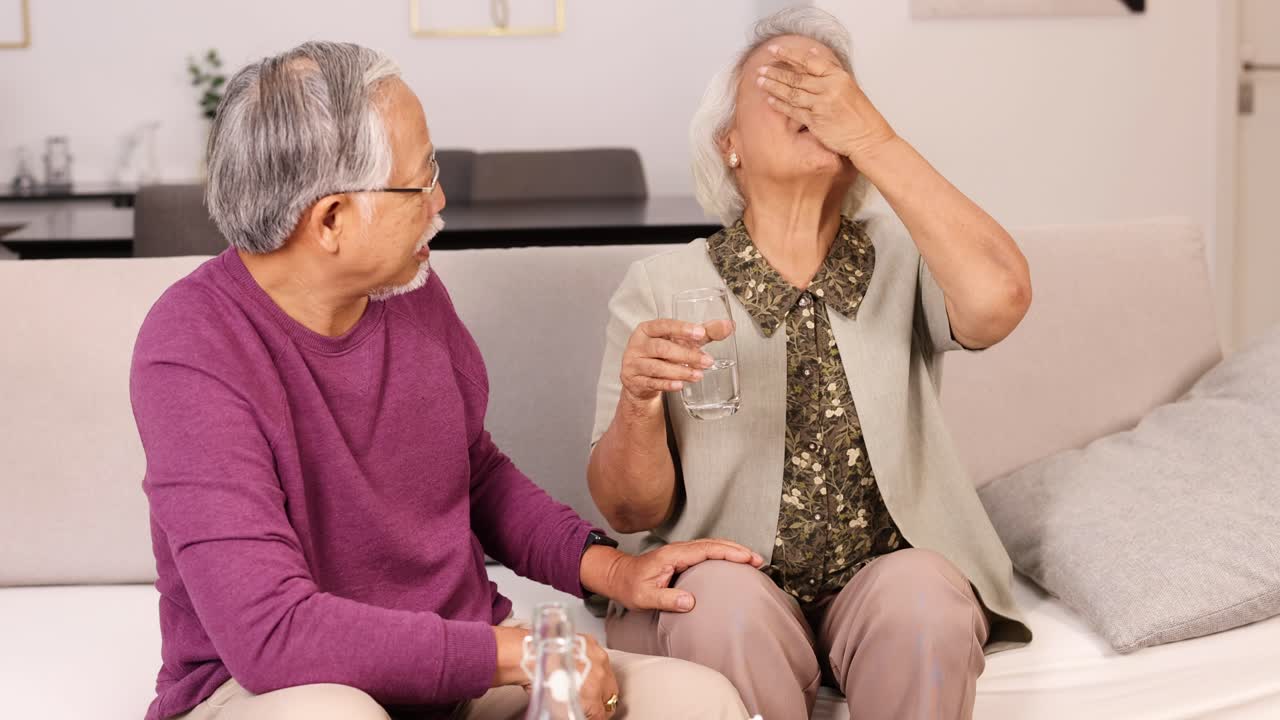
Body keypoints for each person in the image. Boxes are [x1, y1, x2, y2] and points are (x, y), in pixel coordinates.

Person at [131, 41, 758, 720]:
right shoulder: (192, 346)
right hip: (279, 690)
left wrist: (613, 570)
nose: (441, 198)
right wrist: (522, 654)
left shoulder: (409, 290)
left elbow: (474, 474)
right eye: (421, 178)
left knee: (698, 700)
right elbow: (273, 637)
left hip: (455, 676)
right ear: (332, 220)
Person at [588, 8, 1034, 720]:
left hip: (884, 575)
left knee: (924, 599)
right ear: (727, 141)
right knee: (717, 604)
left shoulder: (903, 258)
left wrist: (874, 138)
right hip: (732, 582)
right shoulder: (660, 284)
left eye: (829, 87)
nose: (811, 98)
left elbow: (1001, 297)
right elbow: (628, 509)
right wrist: (639, 406)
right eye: (782, 81)